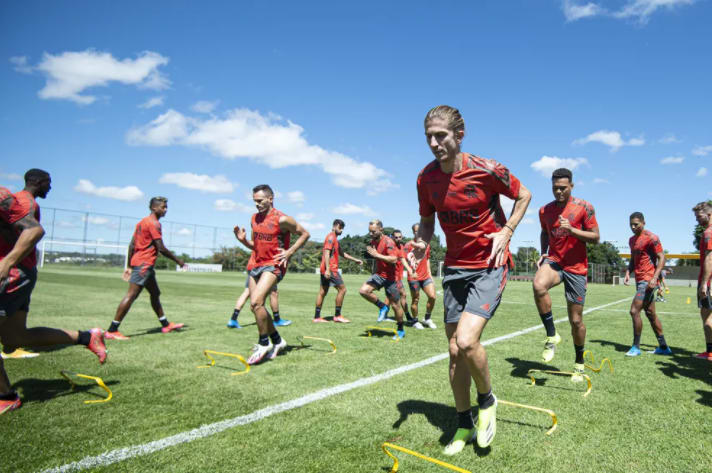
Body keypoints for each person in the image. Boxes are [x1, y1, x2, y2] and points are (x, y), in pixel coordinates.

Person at [416, 105, 531, 452]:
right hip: (454, 268)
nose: (434, 144)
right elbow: (426, 222)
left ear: (459, 135)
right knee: (454, 352)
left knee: (466, 341)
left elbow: (524, 194)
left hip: (488, 265)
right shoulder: (425, 178)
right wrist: (421, 243)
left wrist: (507, 231)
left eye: (441, 136)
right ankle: (463, 423)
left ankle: (487, 399)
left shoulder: (487, 169)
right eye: (429, 138)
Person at [0, 171, 107, 414]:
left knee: (14, 338)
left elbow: (32, 232)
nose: (51, 186)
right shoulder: (24, 200)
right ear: (39, 182)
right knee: (16, 337)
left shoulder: (22, 201)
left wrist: (6, 263)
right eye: (50, 182)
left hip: (14, 273)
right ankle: (87, 337)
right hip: (17, 271)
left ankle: (5, 396)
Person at [533, 168, 599, 381]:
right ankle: (552, 335)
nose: (559, 192)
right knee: (538, 285)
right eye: (555, 188)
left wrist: (572, 230)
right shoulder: (545, 210)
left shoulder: (585, 207)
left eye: (563, 188)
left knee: (576, 321)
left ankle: (579, 363)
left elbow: (596, 237)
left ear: (572, 186)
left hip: (577, 268)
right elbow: (545, 232)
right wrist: (544, 253)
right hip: (555, 261)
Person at [235, 184, 310, 365]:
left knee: (255, 301)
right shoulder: (254, 218)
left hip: (273, 265)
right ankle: (277, 340)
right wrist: (244, 241)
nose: (257, 205)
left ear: (270, 199)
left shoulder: (282, 219)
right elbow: (257, 246)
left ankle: (264, 343)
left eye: (260, 201)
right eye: (255, 201)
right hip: (255, 264)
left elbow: (305, 234)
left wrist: (289, 252)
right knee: (255, 307)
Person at [105, 197, 185, 340]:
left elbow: (131, 245)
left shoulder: (142, 222)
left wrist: (129, 265)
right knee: (131, 295)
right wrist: (179, 261)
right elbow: (161, 248)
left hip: (141, 264)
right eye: (163, 207)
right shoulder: (154, 224)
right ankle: (112, 330)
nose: (165, 209)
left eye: (166, 207)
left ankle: (166, 324)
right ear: (154, 208)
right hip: (144, 265)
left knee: (155, 293)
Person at [623, 212, 671, 356]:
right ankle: (663, 347)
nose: (633, 227)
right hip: (639, 280)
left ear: (643, 223)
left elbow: (662, 258)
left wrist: (654, 278)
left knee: (634, 311)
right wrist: (627, 272)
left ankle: (636, 347)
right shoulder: (631, 240)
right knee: (650, 313)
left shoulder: (651, 237)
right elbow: (633, 259)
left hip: (648, 280)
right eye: (631, 224)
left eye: (636, 224)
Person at [358, 220, 407, 339]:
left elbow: (394, 259)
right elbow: (376, 258)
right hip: (379, 275)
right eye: (369, 231)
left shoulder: (388, 242)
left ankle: (400, 329)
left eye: (373, 231)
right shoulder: (373, 241)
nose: (370, 234)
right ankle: (383, 306)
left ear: (381, 230)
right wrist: (373, 270)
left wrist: (377, 255)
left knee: (396, 306)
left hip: (391, 278)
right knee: (363, 290)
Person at [313, 219, 363, 323]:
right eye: (340, 228)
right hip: (331, 269)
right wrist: (328, 269)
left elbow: (343, 253)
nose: (341, 231)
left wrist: (355, 260)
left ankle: (317, 317)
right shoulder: (331, 237)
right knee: (342, 289)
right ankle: (337, 316)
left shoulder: (335, 239)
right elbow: (326, 253)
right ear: (335, 226)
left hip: (327, 268)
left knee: (323, 292)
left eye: (342, 229)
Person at [404, 223, 437, 329]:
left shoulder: (426, 245)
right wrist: (410, 270)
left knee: (432, 296)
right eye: (416, 231)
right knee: (415, 299)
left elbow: (427, 260)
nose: (418, 233)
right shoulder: (408, 245)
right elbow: (403, 259)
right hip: (414, 277)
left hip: (426, 276)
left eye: (420, 230)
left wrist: (430, 275)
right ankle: (415, 321)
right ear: (413, 232)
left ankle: (427, 319)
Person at [692, 201, 712, 361]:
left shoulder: (708, 233)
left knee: (707, 320)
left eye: (699, 216)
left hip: (709, 282)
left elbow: (709, 258)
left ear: (709, 214)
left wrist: (705, 283)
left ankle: (711, 352)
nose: (697, 220)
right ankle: (709, 352)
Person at [391, 229, 419, 328]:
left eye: (400, 237)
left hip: (398, 276)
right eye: (396, 237)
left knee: (393, 296)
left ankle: (385, 313)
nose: (398, 239)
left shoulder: (402, 247)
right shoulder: (391, 248)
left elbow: (405, 258)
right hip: (393, 277)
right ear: (392, 237)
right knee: (402, 294)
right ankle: (406, 316)